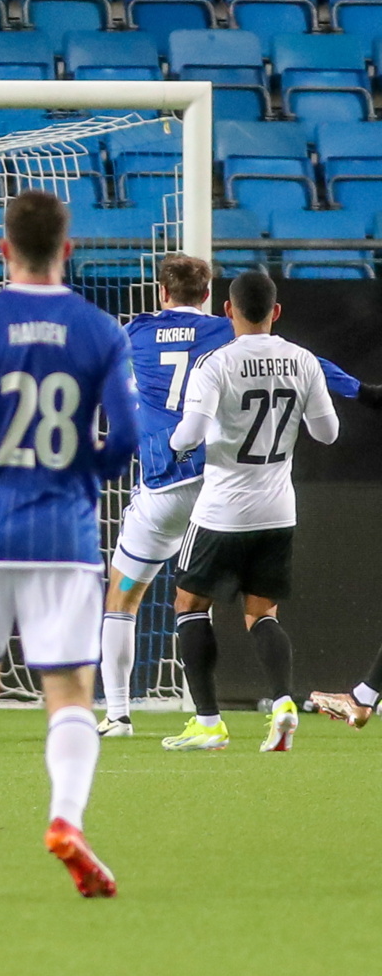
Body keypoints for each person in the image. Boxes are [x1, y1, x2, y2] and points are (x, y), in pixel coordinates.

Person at [0, 190, 138, 899]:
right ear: (68, 251)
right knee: (69, 689)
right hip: (64, 535)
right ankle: (65, 820)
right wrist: (85, 474)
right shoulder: (101, 330)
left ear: (3, 250)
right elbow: (128, 438)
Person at [100, 255, 380, 737]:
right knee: (257, 610)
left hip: (164, 487)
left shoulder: (134, 332)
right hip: (219, 483)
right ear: (211, 299)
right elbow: (308, 367)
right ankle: (276, 699)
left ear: (163, 294)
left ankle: (120, 714)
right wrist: (364, 391)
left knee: (124, 598)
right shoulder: (226, 335)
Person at [161, 270, 338, 754]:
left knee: (190, 605)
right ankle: (282, 701)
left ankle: (208, 722)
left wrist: (173, 445)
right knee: (262, 615)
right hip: (278, 511)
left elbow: (191, 433)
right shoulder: (302, 360)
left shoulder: (216, 363)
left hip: (222, 511)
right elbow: (327, 433)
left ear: (228, 311)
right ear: (276, 312)